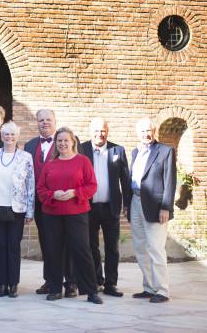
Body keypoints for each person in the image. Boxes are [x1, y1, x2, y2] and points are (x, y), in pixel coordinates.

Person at [36, 127, 102, 304]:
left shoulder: (83, 161)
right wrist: (53, 195)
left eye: (66, 140)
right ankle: (55, 289)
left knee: (82, 251)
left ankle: (91, 291)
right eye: (59, 141)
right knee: (53, 252)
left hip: (77, 213)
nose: (63, 143)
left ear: (73, 142)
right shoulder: (50, 164)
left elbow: (92, 186)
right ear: (56, 144)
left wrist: (75, 192)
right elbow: (41, 189)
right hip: (52, 215)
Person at [24, 108, 76, 297]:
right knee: (47, 242)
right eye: (41, 120)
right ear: (37, 123)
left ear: (55, 121)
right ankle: (50, 280)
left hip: (64, 202)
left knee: (67, 242)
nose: (44, 123)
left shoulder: (65, 142)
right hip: (41, 203)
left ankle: (71, 282)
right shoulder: (29, 145)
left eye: (48, 120)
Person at [126, 118, 176, 303]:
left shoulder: (165, 151)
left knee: (156, 248)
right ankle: (149, 287)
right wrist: (127, 204)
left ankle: (162, 290)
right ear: (136, 133)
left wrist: (166, 207)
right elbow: (131, 179)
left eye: (149, 130)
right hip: (135, 202)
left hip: (156, 207)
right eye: (142, 131)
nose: (146, 134)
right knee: (140, 248)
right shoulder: (135, 152)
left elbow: (170, 181)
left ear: (154, 131)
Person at [80, 118, 131, 297]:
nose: (99, 134)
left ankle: (111, 284)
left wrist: (127, 205)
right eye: (96, 130)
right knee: (91, 246)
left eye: (102, 130)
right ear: (90, 131)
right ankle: (96, 281)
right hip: (88, 207)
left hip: (111, 207)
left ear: (107, 131)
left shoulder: (118, 150)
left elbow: (125, 180)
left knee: (112, 248)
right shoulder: (81, 149)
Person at [0, 121, 34, 298]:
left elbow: (30, 185)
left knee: (13, 246)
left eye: (12, 134)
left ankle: (13, 284)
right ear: (1, 136)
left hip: (17, 208)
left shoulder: (25, 157)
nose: (9, 137)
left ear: (17, 136)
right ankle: (2, 284)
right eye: (6, 134)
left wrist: (30, 211)